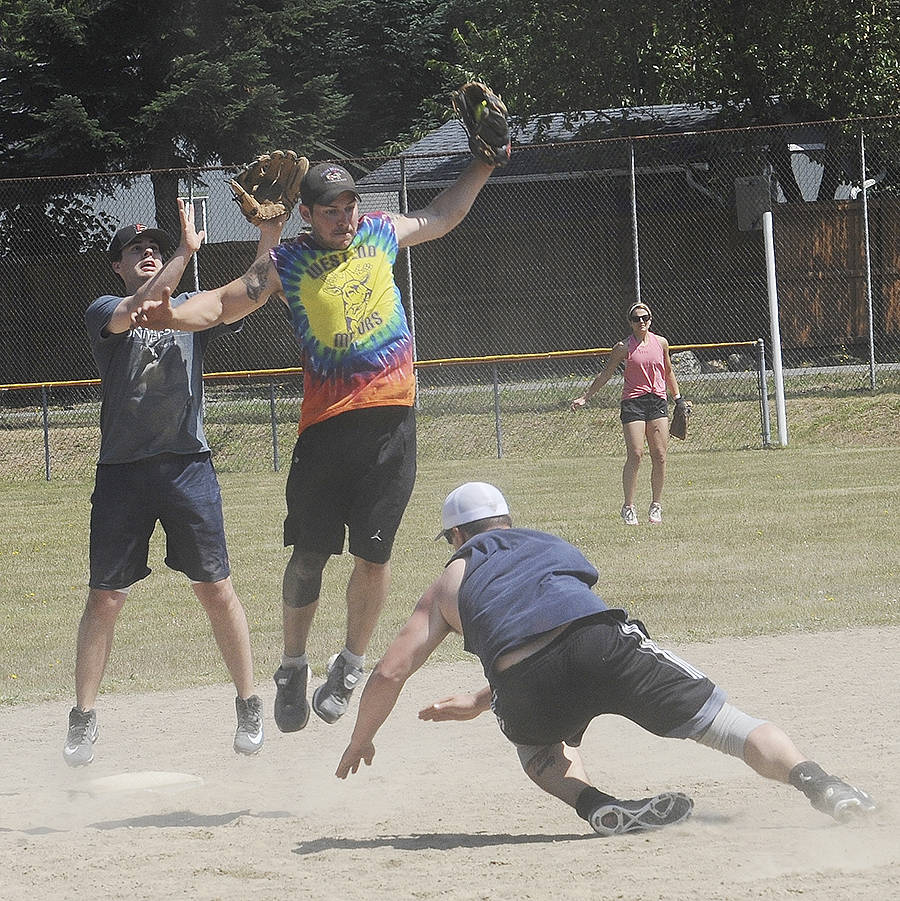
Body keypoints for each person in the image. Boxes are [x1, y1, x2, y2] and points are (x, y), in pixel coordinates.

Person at [133, 155, 504, 733]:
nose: (343, 216)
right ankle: (292, 664)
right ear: (307, 213)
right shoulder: (288, 261)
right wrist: (171, 317)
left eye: (349, 204)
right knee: (308, 556)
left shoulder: (380, 232)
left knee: (373, 556)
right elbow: (229, 302)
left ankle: (351, 664)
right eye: (329, 209)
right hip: (325, 430)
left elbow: (440, 213)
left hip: (391, 427)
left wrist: (482, 164)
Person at [335, 481, 876, 836]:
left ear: (455, 536)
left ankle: (595, 804)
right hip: (601, 643)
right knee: (726, 725)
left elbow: (390, 671)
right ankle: (820, 785)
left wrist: (362, 739)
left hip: (523, 683)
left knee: (536, 751)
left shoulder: (450, 578)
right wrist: (481, 700)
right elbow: (563, 621)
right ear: (505, 521)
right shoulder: (546, 543)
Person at [63, 200, 282, 767]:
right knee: (106, 597)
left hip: (187, 464)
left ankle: (247, 700)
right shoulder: (104, 309)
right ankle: (83, 717)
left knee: (215, 588)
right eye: (136, 248)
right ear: (117, 265)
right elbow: (140, 308)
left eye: (155, 247)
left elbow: (254, 290)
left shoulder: (192, 308)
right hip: (123, 472)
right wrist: (186, 251)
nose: (148, 252)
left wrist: (270, 233)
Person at [571, 302, 687, 526]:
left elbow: (668, 371)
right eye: (636, 318)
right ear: (630, 322)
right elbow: (606, 374)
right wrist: (585, 397)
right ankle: (628, 507)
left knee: (660, 455)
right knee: (636, 453)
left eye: (644, 317)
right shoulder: (623, 347)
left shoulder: (661, 342)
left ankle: (656, 505)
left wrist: (678, 398)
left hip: (657, 401)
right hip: (633, 402)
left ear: (650, 319)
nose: (641, 321)